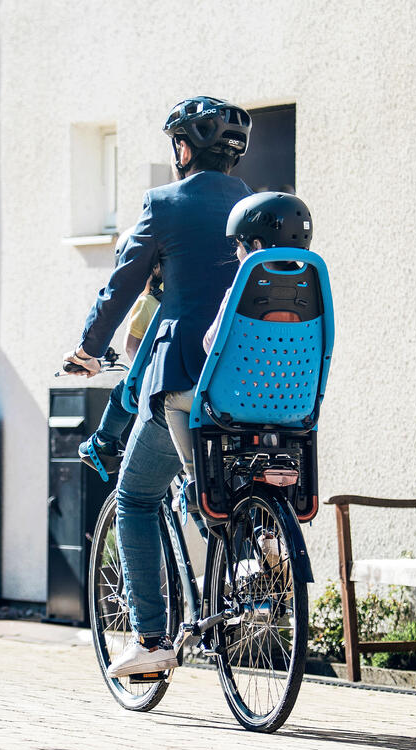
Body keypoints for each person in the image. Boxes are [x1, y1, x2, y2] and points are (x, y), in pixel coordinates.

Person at [63, 96, 252, 677]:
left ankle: (149, 642)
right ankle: (252, 559)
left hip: (185, 380)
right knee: (217, 484)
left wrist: (88, 352)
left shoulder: (164, 204)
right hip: (253, 381)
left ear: (183, 147)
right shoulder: (256, 206)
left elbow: (121, 289)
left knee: (134, 496)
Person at [164, 192, 314, 483]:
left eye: (238, 244)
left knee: (172, 401)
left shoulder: (239, 292)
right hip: (296, 402)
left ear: (256, 244)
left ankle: (196, 478)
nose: (236, 253)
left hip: (237, 399)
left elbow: (211, 344)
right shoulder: (312, 295)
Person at [77, 229, 162, 478]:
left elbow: (130, 346)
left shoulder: (146, 303)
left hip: (154, 377)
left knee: (120, 395)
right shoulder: (178, 298)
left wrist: (139, 375)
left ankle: (104, 441)